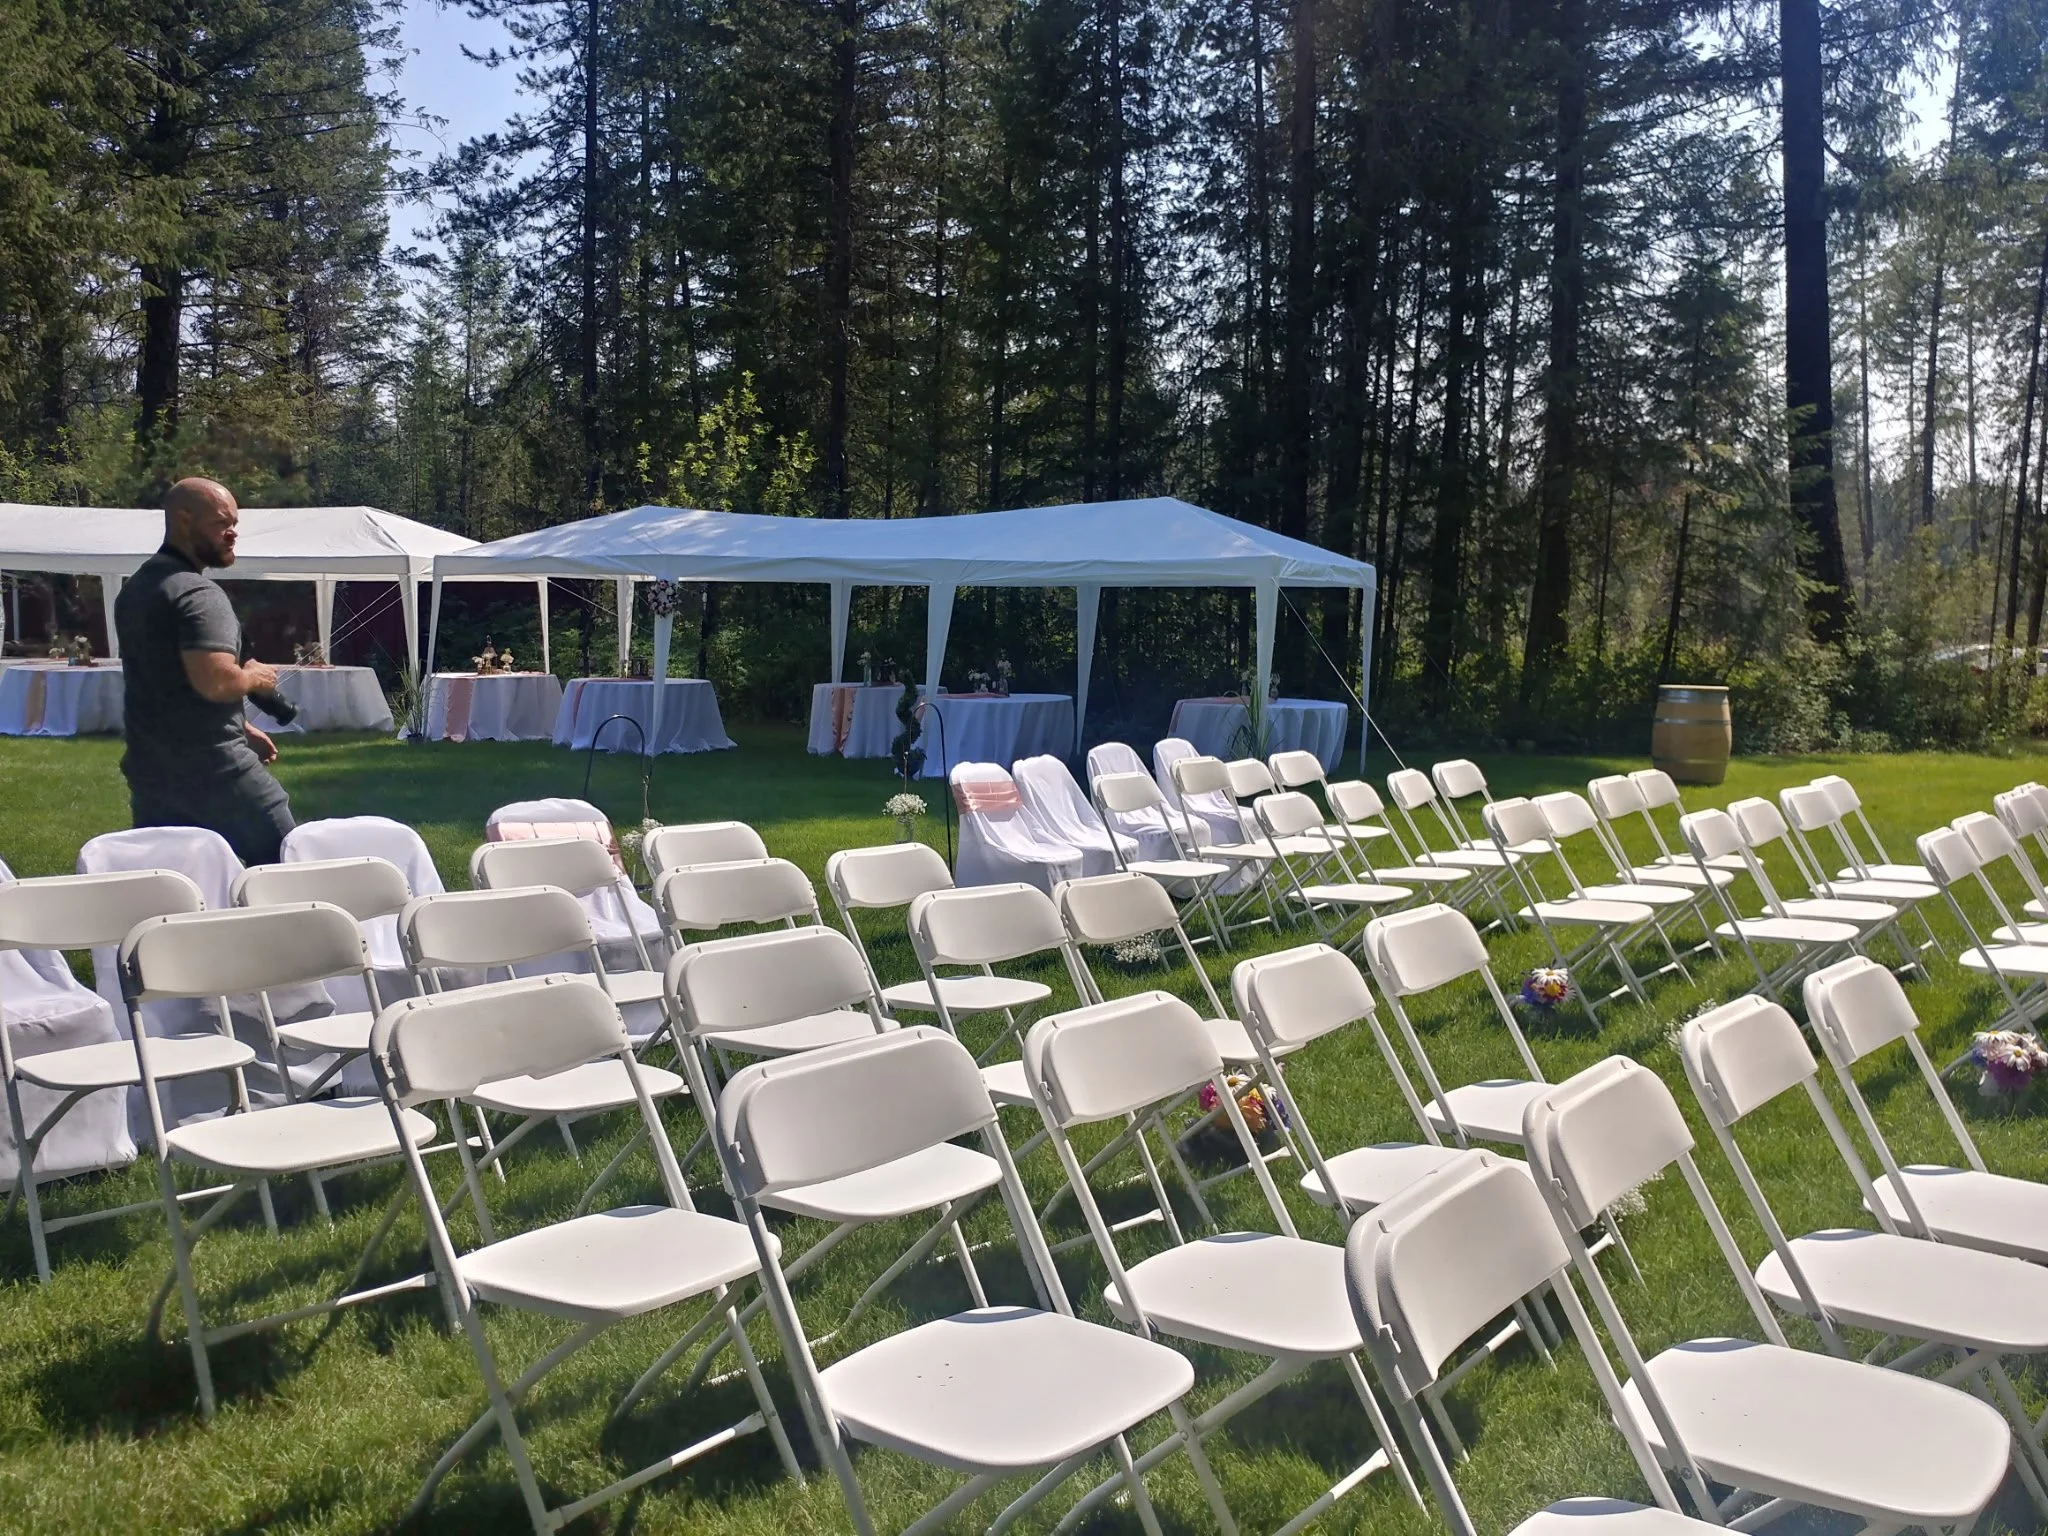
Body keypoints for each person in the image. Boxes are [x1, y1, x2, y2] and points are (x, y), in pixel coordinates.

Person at [114, 478, 296, 865]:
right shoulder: (198, 593)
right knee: (288, 875)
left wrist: (240, 728)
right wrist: (254, 677)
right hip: (218, 773)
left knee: (173, 891)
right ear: (183, 519)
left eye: (234, 524)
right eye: (221, 523)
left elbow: (164, 681)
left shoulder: (137, 589)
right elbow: (215, 681)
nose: (232, 534)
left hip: (152, 775)